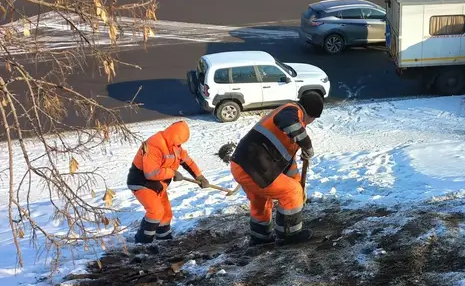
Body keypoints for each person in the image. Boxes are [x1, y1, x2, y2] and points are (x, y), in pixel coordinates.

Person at [229, 91, 324, 245]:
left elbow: (289, 166)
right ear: (311, 114)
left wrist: (301, 188)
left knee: (261, 200)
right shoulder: (291, 111)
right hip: (256, 168)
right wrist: (307, 145)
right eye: (313, 118)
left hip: (242, 166)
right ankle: (289, 235)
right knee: (291, 191)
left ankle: (260, 237)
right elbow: (286, 121)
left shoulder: (290, 128)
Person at [126, 121, 209, 244]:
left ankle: (164, 239)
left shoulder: (175, 146)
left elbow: (186, 161)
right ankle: (142, 241)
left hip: (159, 184)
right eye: (179, 141)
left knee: (166, 214)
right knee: (156, 212)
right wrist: (173, 173)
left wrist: (199, 176)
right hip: (142, 182)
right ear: (174, 136)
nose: (180, 145)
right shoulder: (154, 145)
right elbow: (150, 173)